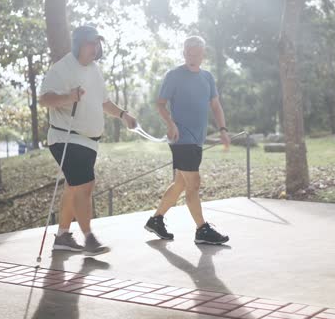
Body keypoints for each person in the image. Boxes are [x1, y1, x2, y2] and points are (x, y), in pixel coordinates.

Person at [39, 25, 137, 256]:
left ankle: (63, 236)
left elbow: (103, 102)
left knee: (74, 188)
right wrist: (69, 97)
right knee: (84, 186)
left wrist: (124, 115)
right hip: (66, 137)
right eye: (91, 43)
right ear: (79, 44)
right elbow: (44, 99)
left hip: (90, 141)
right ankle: (89, 239)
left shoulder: (95, 70)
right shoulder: (62, 69)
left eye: (97, 43)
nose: (96, 48)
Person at [144, 36, 231, 245]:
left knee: (180, 184)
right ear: (184, 53)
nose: (191, 57)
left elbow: (216, 105)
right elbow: (161, 104)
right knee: (194, 183)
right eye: (188, 53)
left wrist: (223, 129)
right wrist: (171, 124)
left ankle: (156, 220)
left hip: (197, 139)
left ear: (203, 55)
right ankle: (202, 229)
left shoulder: (207, 77)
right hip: (181, 138)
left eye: (196, 53)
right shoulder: (174, 76)